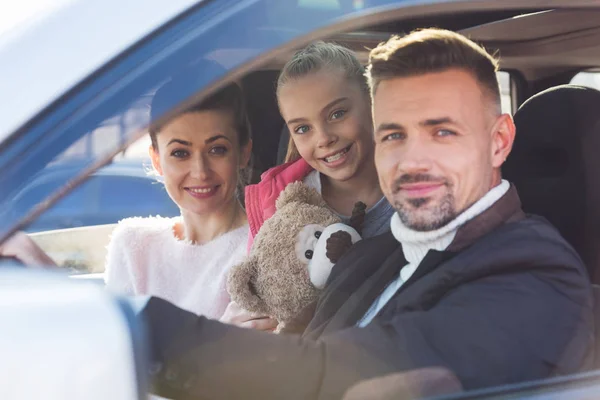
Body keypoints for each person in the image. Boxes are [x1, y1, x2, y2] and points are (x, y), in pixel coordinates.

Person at [140, 29, 593, 400]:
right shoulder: (368, 256)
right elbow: (295, 348)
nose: (413, 159)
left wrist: (132, 326)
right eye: (393, 135)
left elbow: (333, 375)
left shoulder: (535, 274)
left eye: (441, 131)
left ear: (498, 141)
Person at [1, 72, 254, 321]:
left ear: (243, 153)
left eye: (217, 149)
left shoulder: (260, 250)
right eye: (180, 153)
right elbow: (108, 343)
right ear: (156, 160)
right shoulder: (134, 244)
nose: (200, 172)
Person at [245, 41, 395, 251]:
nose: (324, 139)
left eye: (337, 114)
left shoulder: (421, 180)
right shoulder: (276, 207)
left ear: (372, 102)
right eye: (303, 129)